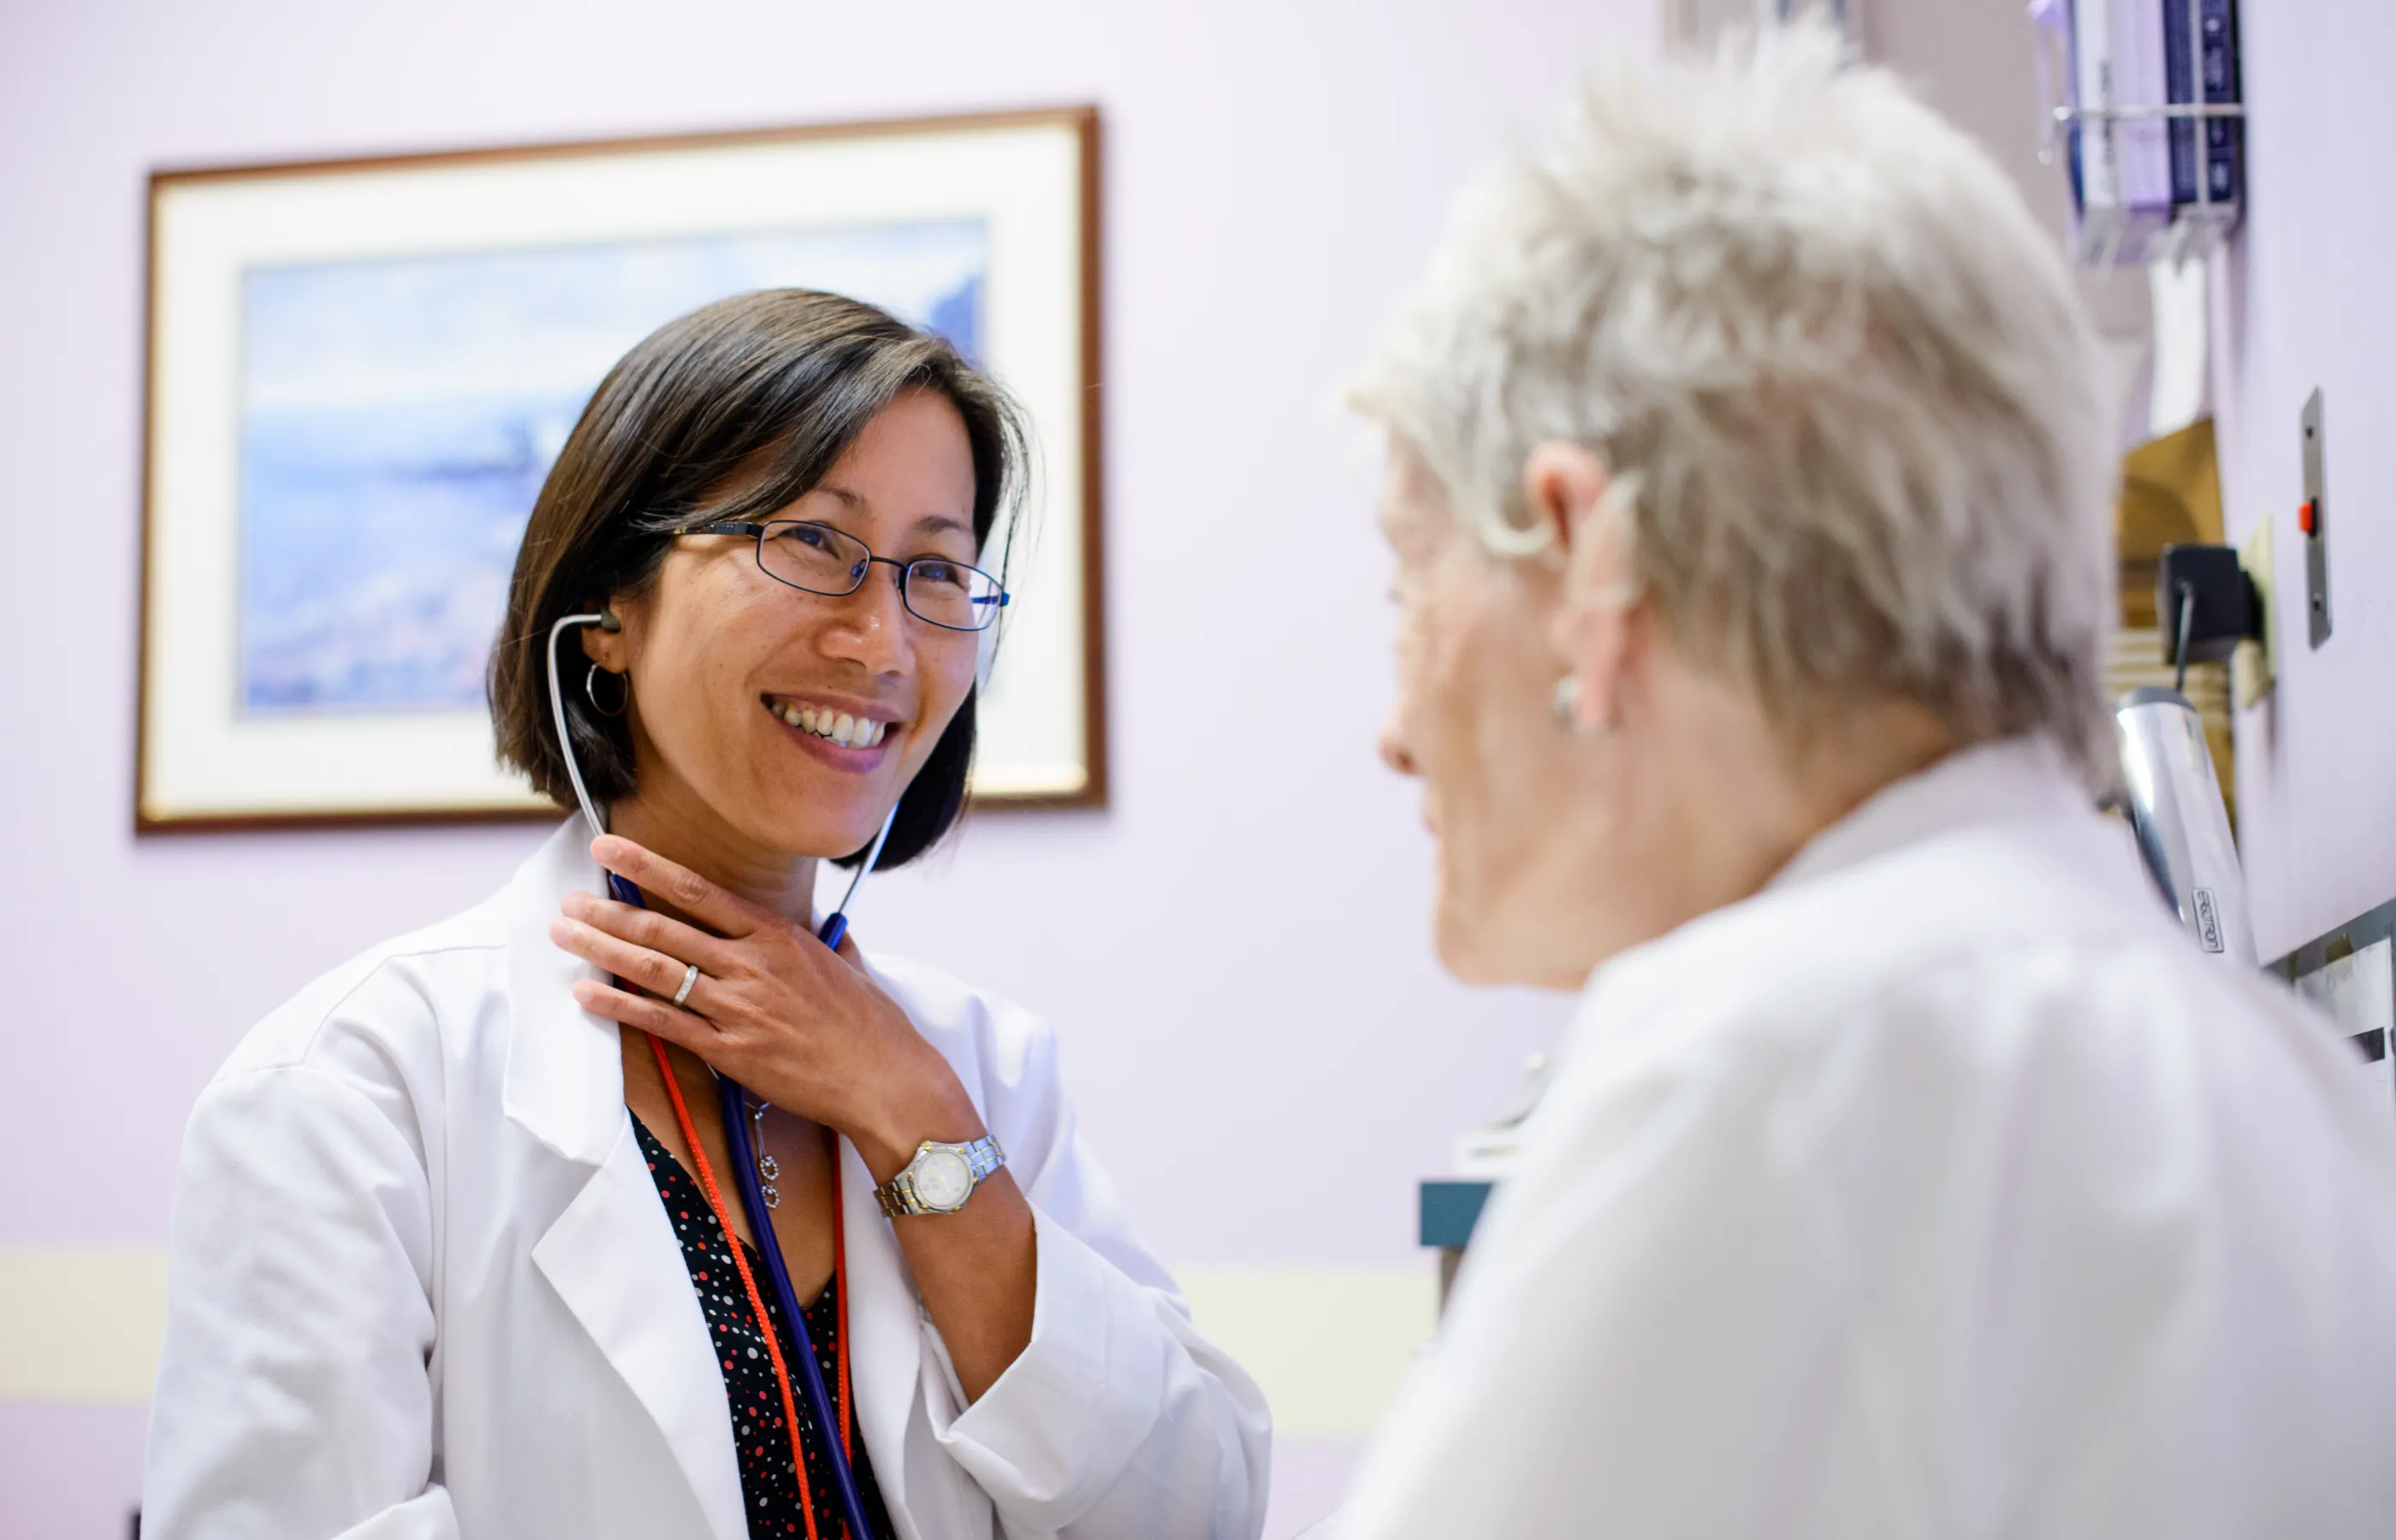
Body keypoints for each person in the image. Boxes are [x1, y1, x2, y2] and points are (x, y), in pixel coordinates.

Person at [1336, 25, 2396, 1540]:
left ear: (1585, 561)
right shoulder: (2289, 1100)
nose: (1394, 727)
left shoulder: (1775, 1066)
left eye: (1406, 585)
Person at [142, 290, 1270, 1540]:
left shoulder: (979, 1079)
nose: (883, 638)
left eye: (937, 570)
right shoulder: (356, 1089)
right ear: (612, 608)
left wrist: (913, 1118)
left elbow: (1199, 1510)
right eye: (812, 543)